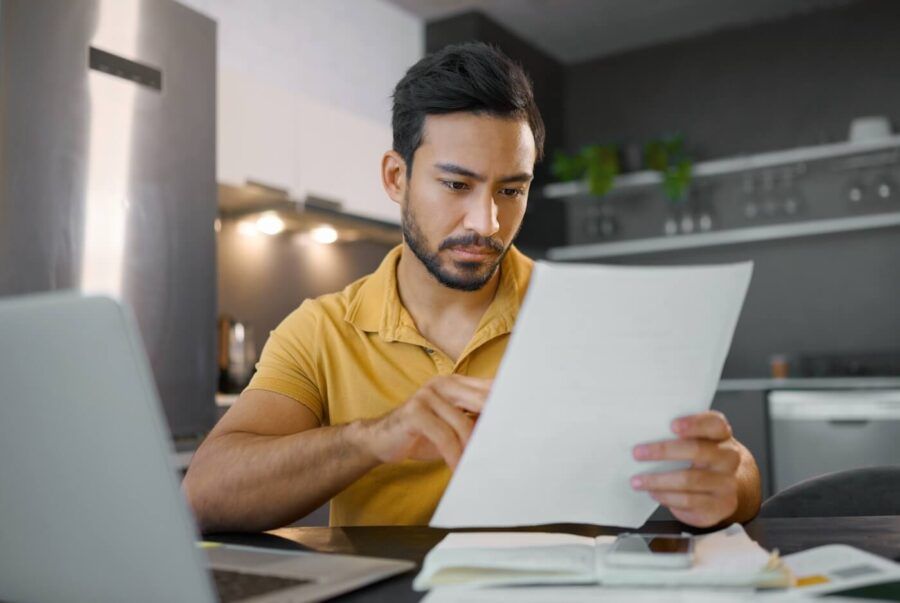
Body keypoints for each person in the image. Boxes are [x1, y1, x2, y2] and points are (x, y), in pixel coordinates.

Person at [183, 42, 761, 532]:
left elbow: (738, 470)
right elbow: (205, 494)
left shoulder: (587, 314)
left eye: (511, 191)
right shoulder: (319, 330)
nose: (485, 223)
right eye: (457, 184)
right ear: (395, 176)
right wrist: (373, 437)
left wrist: (724, 484)